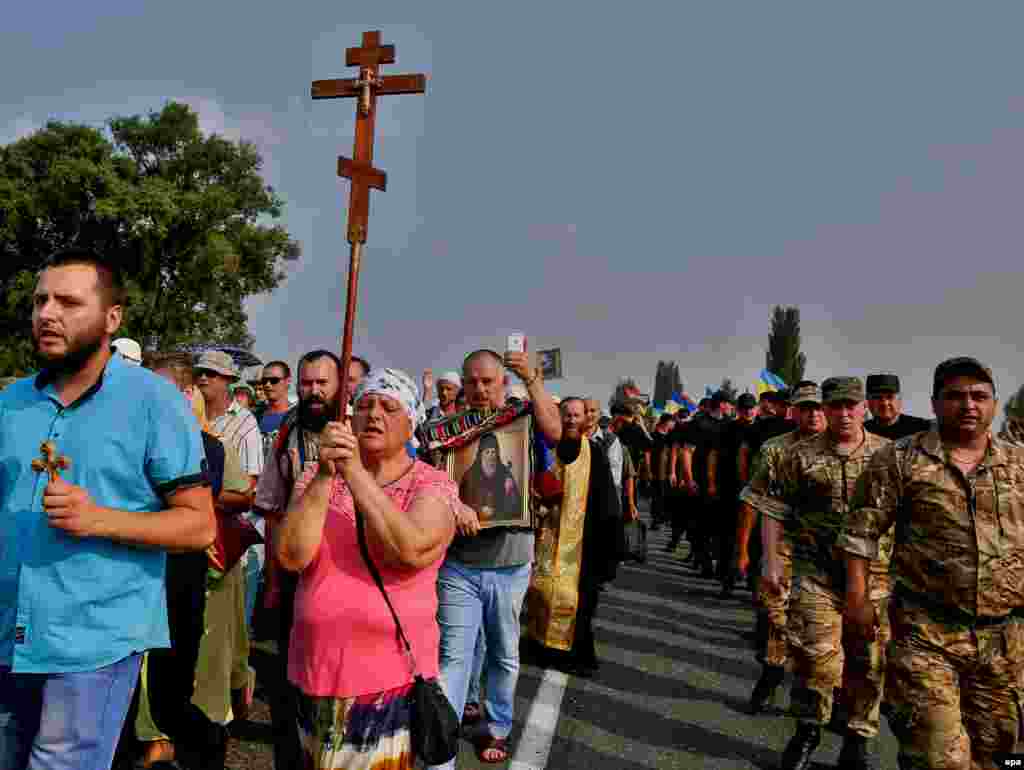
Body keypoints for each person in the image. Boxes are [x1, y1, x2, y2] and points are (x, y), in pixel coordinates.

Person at [0, 249, 214, 770]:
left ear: (111, 318)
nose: (47, 313)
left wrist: (99, 520)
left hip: (94, 639)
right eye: (40, 301)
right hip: (9, 632)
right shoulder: (11, 402)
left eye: (68, 302)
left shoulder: (155, 403)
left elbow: (199, 524)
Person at [841, 357, 1024, 769]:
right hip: (925, 633)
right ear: (935, 404)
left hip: (1005, 642)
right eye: (955, 396)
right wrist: (857, 598)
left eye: (979, 396)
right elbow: (860, 533)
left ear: (995, 405)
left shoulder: (1020, 464)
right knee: (938, 758)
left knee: (999, 756)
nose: (968, 405)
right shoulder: (900, 459)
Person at [274, 368, 457, 769]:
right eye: (366, 405)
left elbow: (409, 549)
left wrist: (354, 472)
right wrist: (325, 475)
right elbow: (290, 556)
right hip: (311, 672)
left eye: (389, 408)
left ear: (411, 422)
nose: (374, 414)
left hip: (386, 685)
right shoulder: (317, 474)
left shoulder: (433, 484)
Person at [432, 347, 561, 767]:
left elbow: (557, 433)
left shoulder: (520, 419)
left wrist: (534, 380)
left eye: (488, 381)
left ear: (502, 383)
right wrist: (453, 505)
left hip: (510, 563)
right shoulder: (446, 429)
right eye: (471, 381)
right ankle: (443, 743)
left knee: (504, 652)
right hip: (458, 564)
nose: (479, 389)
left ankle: (499, 726)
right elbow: (430, 479)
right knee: (454, 655)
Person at [128, 352, 252, 770]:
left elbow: (238, 496)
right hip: (138, 573)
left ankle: (187, 741)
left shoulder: (210, 449)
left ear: (184, 394)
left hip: (189, 573)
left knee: (181, 669)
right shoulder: (132, 439)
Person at [761, 377, 890, 770]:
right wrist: (770, 560)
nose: (844, 413)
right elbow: (772, 507)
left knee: (869, 664)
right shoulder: (796, 455)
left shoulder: (890, 455)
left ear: (864, 408)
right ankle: (808, 730)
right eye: (835, 406)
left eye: (851, 405)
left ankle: (857, 741)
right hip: (816, 573)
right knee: (817, 662)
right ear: (825, 409)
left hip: (877, 579)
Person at [253, 349, 342, 770]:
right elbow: (271, 513)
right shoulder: (287, 434)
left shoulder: (357, 431)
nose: (314, 391)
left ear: (340, 385)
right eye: (307, 383)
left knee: (340, 683)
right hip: (295, 573)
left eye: (323, 382)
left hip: (346, 574)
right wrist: (272, 582)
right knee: (291, 680)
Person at [740, 382, 826, 714]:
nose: (813, 415)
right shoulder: (775, 449)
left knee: (820, 631)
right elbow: (752, 502)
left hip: (827, 555)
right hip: (783, 548)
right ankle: (772, 674)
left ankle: (816, 707)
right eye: (805, 408)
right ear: (794, 412)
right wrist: (744, 551)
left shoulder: (843, 449)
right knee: (775, 616)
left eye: (818, 408)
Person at [525, 397, 621, 677]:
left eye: (576, 415)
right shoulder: (544, 451)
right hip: (547, 536)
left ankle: (575, 654)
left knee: (578, 599)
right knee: (542, 593)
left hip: (584, 542)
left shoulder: (595, 452)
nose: (570, 420)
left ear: (585, 419)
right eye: (565, 414)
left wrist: (611, 548)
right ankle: (543, 648)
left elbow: (607, 503)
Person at [194, 350, 263, 725]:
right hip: (191, 537)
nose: (204, 378)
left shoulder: (245, 424)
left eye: (212, 374)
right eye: (200, 372)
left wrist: (195, 493)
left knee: (231, 632)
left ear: (227, 381)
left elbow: (249, 489)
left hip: (228, 543)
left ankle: (234, 697)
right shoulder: (186, 418)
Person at [707, 392, 759, 597]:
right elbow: (713, 455)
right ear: (738, 410)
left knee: (753, 538)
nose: (748, 411)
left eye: (751, 408)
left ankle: (752, 581)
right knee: (728, 535)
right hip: (728, 488)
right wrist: (711, 482)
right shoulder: (726, 428)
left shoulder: (759, 429)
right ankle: (727, 581)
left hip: (753, 491)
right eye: (744, 408)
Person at [459, 433, 523, 525]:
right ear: (481, 454)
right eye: (487, 452)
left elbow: (517, 507)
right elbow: (460, 504)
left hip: (500, 525)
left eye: (493, 452)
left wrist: (510, 491)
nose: (490, 456)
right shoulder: (469, 476)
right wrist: (479, 510)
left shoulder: (505, 473)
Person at [863, 373, 932, 440]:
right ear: (868, 401)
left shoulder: (922, 428)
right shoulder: (861, 431)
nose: (884, 403)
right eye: (877, 397)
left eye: (890, 397)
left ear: (900, 399)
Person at [649, 413, 676, 531]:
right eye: (672, 421)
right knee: (657, 496)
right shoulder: (653, 435)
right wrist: (648, 469)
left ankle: (664, 518)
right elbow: (647, 453)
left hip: (669, 471)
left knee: (667, 495)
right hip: (656, 470)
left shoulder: (671, 437)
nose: (673, 424)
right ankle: (656, 520)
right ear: (666, 422)